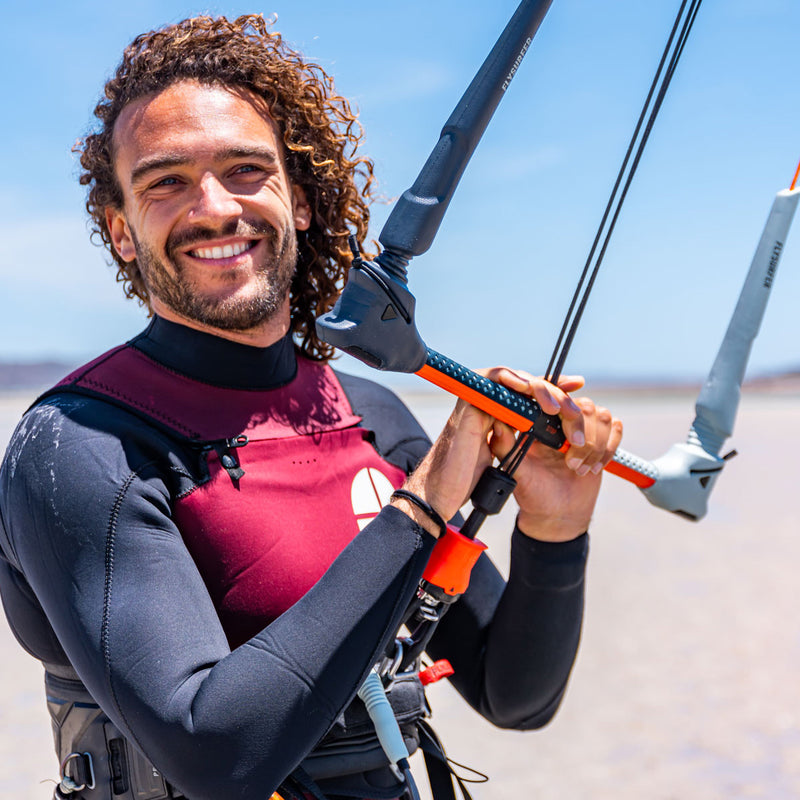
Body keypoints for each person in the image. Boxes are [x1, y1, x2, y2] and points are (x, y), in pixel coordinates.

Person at [0, 14, 623, 800]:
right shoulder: (82, 448)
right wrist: (424, 505)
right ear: (122, 232)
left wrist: (556, 531)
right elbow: (214, 755)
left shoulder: (373, 419)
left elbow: (512, 694)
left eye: (246, 169)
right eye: (166, 181)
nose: (215, 207)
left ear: (299, 201)